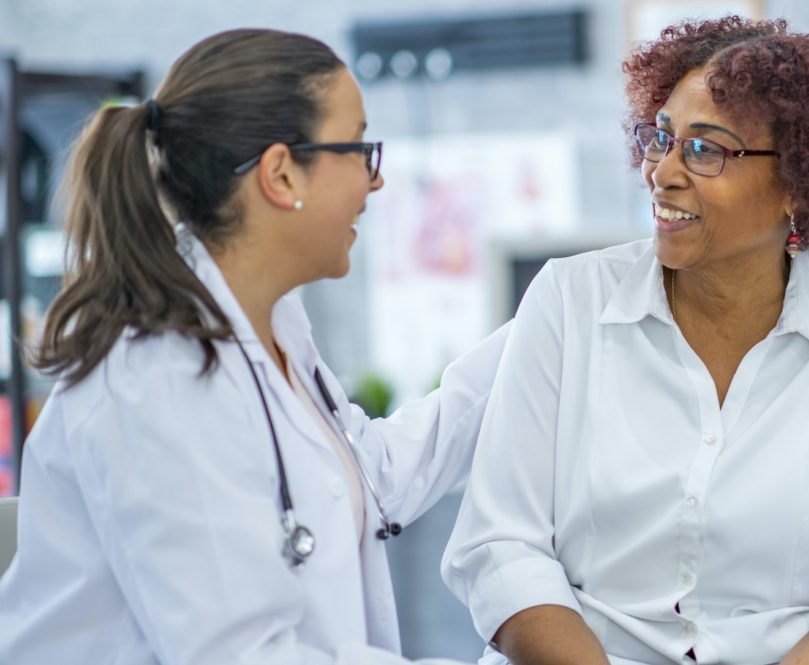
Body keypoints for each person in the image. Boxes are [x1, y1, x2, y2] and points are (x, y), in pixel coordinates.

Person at [441, 16, 809, 665]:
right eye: (660, 138)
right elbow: (502, 547)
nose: (662, 171)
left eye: (706, 149)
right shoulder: (568, 300)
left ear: (802, 183)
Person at [0, 28, 507, 665]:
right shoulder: (156, 375)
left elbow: (363, 476)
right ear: (280, 172)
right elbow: (243, 654)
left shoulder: (273, 324)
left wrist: (544, 325)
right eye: (358, 148)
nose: (374, 182)